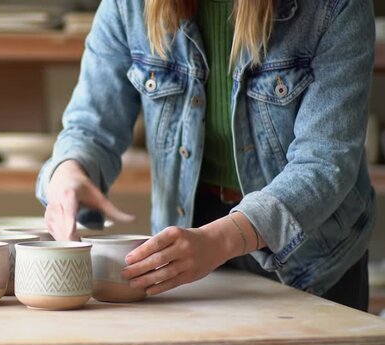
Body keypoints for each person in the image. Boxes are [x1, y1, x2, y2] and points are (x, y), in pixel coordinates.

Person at [36, 0, 376, 312]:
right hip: (191, 241)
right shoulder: (129, 6)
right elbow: (88, 127)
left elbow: (324, 161)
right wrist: (69, 172)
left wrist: (223, 239)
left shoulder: (335, 7)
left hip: (311, 257)